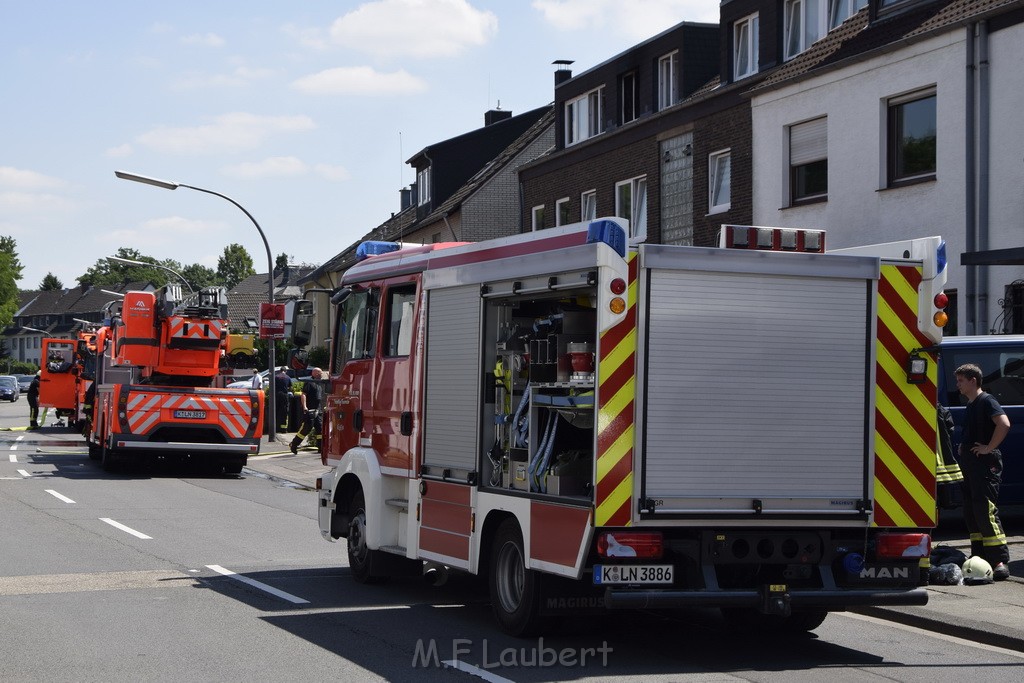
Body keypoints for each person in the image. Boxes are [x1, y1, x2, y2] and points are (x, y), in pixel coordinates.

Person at [954, 363, 1011, 581]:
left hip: (984, 465)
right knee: (971, 512)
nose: (957, 385)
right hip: (971, 464)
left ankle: (998, 561)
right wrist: (964, 446)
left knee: (985, 511)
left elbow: (1003, 424)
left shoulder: (987, 401)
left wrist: (989, 447)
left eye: (961, 381)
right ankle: (979, 557)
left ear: (973, 381)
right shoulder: (971, 404)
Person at [290, 367, 324, 454]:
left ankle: (320, 447)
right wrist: (305, 407)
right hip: (310, 410)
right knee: (306, 429)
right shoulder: (309, 382)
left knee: (320, 429)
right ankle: (294, 444)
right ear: (315, 373)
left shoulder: (319, 383)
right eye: (320, 373)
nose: (321, 375)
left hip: (318, 410)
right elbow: (303, 394)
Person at [273, 367, 293, 432]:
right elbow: (290, 387)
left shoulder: (276, 377)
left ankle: (275, 428)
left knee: (276, 411)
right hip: (284, 395)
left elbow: (272, 386)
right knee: (284, 411)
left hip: (276, 395)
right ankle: (283, 429)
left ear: (280, 371)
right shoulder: (288, 377)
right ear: (285, 371)